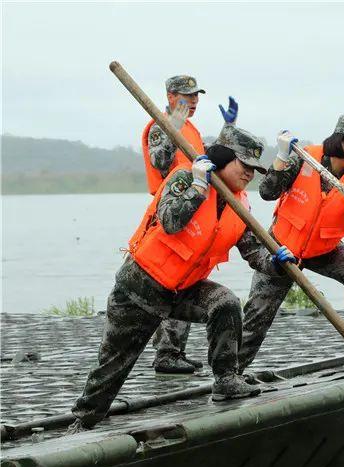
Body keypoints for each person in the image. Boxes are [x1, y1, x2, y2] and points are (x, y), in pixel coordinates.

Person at [68, 127, 297, 432]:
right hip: (140, 289)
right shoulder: (184, 178)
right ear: (224, 159)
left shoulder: (238, 204)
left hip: (183, 290)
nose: (249, 175)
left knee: (225, 303)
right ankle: (84, 421)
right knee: (111, 369)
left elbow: (254, 252)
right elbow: (171, 222)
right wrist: (198, 189)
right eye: (244, 167)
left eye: (254, 170)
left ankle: (227, 379)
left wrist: (278, 262)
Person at [238, 116, 344, 371]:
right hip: (282, 249)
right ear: (340, 141)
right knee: (258, 314)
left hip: (324, 249)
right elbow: (267, 192)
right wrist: (281, 158)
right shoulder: (302, 159)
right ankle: (231, 374)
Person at [140, 74, 241, 375]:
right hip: (170, 209)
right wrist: (174, 124)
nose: (194, 102)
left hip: (192, 206)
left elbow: (208, 159)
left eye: (196, 96)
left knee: (186, 276)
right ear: (171, 96)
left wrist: (228, 129)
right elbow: (160, 162)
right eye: (187, 96)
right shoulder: (160, 126)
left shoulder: (191, 128)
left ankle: (171, 351)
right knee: (172, 277)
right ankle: (166, 352)